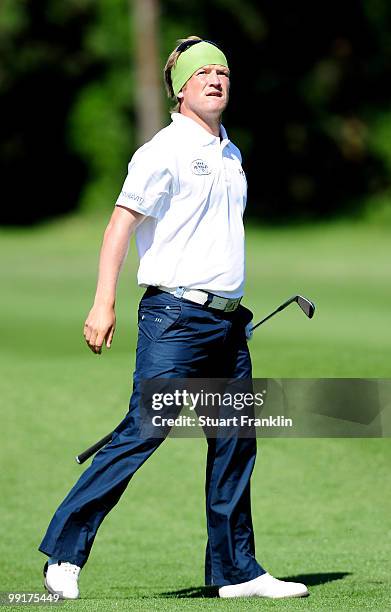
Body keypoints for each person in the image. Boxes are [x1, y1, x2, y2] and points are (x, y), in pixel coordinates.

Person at [39, 36, 308, 601]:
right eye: (202, 72)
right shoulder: (162, 150)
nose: (215, 79)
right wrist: (102, 301)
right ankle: (64, 554)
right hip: (175, 318)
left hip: (229, 324)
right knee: (144, 430)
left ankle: (236, 571)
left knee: (236, 440)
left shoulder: (231, 152)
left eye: (222, 72)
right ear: (179, 88)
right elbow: (120, 225)